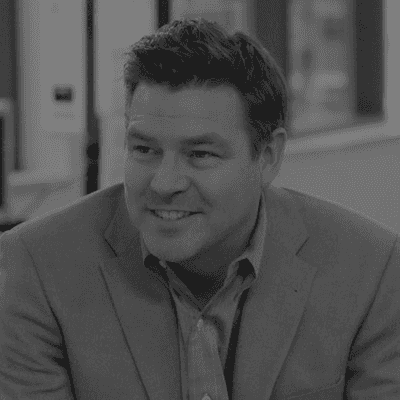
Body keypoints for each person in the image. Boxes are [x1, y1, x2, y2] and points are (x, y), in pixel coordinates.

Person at [0, 17, 399, 400]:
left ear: (267, 157)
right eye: (144, 150)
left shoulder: (372, 273)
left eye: (200, 154)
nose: (164, 182)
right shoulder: (35, 268)